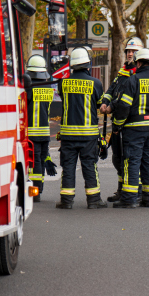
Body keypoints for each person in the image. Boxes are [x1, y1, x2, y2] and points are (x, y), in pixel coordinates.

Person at [111, 48, 149, 208]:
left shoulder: (133, 80)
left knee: (132, 160)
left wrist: (117, 124)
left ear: (139, 62)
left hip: (135, 128)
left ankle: (129, 199)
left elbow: (124, 106)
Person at [56, 47, 106, 209]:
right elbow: (100, 105)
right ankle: (93, 201)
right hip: (89, 136)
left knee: (68, 166)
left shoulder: (63, 83)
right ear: (88, 64)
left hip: (68, 136)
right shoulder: (96, 83)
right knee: (89, 165)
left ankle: (66, 201)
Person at [100, 36, 144, 202]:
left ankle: (135, 191)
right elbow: (112, 89)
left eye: (133, 51)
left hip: (130, 123)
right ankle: (121, 190)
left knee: (130, 159)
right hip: (118, 123)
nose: (130, 54)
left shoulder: (138, 74)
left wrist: (112, 106)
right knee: (117, 158)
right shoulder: (123, 71)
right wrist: (105, 102)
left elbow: (127, 97)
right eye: (128, 51)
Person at [25, 56, 57, 201]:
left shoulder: (29, 87)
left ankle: (34, 192)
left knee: (34, 161)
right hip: (45, 131)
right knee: (42, 158)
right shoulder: (49, 86)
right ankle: (40, 189)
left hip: (31, 131)